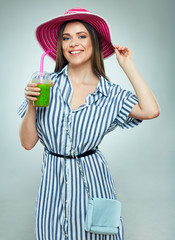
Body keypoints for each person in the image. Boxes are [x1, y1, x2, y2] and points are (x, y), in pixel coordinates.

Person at [17, 7, 160, 240]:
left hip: (92, 182)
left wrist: (127, 65)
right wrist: (32, 104)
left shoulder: (110, 94)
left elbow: (151, 110)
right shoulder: (45, 83)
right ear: (61, 46)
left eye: (81, 36)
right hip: (52, 184)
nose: (73, 43)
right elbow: (27, 143)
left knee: (97, 235)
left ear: (94, 43)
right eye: (66, 37)